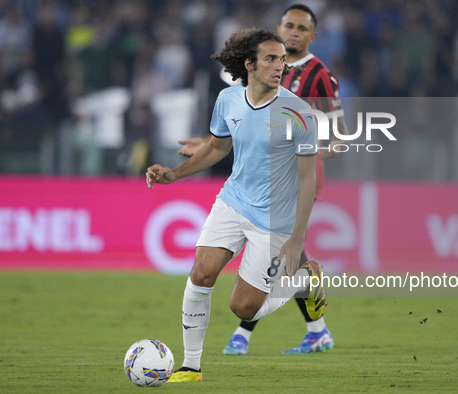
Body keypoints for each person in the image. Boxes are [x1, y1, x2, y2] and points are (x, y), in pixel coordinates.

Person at [146, 27, 325, 383]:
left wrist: (297, 239)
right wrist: (174, 174)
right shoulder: (228, 100)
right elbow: (217, 147)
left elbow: (309, 179)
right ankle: (191, 367)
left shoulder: (300, 114)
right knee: (202, 273)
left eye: (283, 60)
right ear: (250, 64)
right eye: (271, 59)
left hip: (274, 219)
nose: (280, 67)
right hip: (233, 200)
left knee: (243, 307)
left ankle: (305, 279)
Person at [178, 4, 347, 355]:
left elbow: (339, 137)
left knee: (285, 250)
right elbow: (233, 134)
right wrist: (210, 145)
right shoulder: (259, 71)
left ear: (312, 36)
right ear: (279, 28)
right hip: (252, 178)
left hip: (296, 173)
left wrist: (309, 145)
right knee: (280, 263)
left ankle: (248, 331)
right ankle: (314, 328)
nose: (294, 32)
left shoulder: (318, 75)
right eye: (289, 25)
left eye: (302, 28)